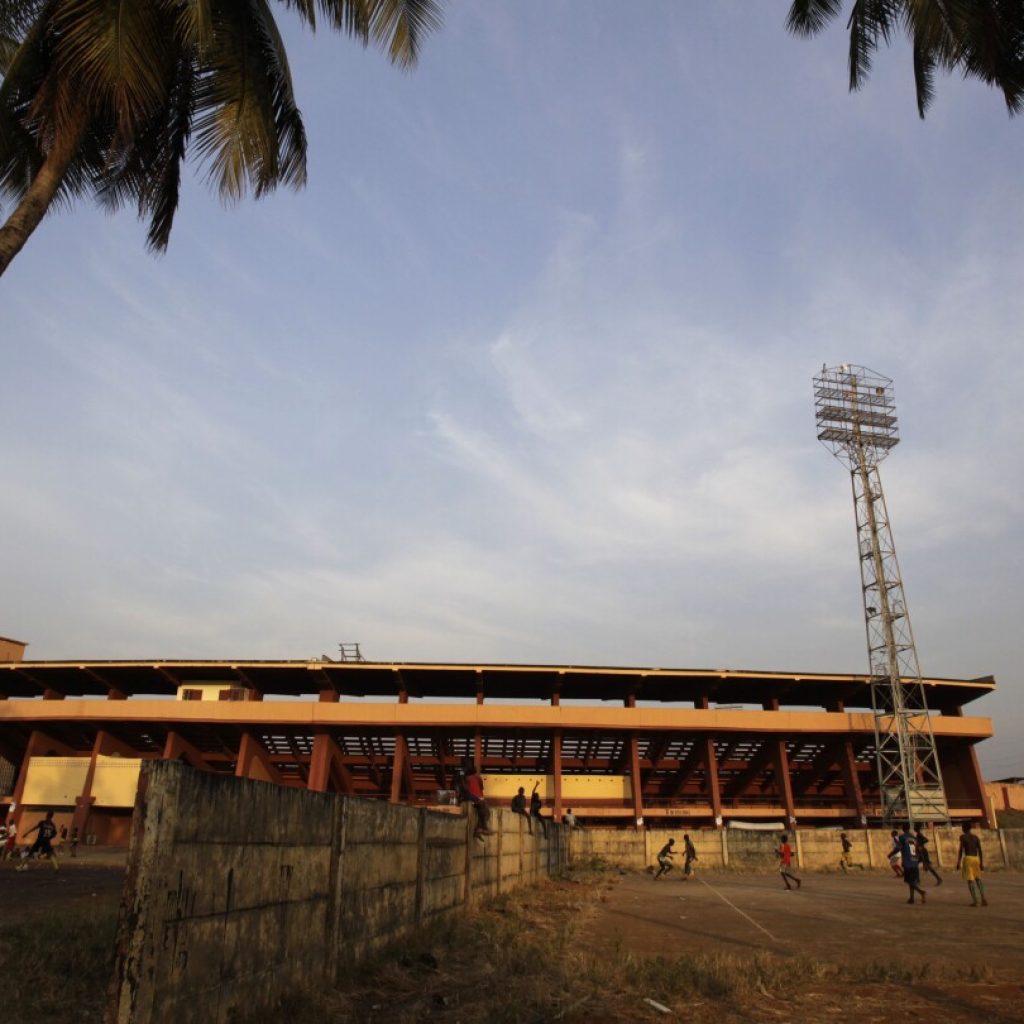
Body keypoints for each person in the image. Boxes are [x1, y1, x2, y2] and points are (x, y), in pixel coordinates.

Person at [956, 821, 988, 907]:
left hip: (968, 859)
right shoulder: (976, 837)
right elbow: (980, 851)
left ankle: (975, 901)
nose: (962, 829)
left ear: (964, 828)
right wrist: (981, 863)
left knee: (970, 881)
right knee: (978, 879)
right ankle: (983, 898)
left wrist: (958, 862)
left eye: (962, 827)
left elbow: (961, 850)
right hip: (976, 859)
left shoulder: (963, 837)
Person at [459, 768, 493, 840]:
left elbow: (465, 789)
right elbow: (481, 788)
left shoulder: (467, 779)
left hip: (474, 798)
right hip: (477, 798)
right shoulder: (477, 778)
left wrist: (461, 777)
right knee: (486, 812)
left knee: (485, 812)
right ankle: (482, 828)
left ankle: (479, 829)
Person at [896, 824, 926, 904]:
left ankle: (921, 892)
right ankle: (911, 898)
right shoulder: (914, 838)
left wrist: (891, 854)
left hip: (908, 861)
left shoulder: (902, 837)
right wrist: (923, 861)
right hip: (914, 861)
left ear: (903, 829)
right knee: (912, 880)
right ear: (909, 829)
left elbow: (898, 848)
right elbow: (919, 850)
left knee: (909, 881)